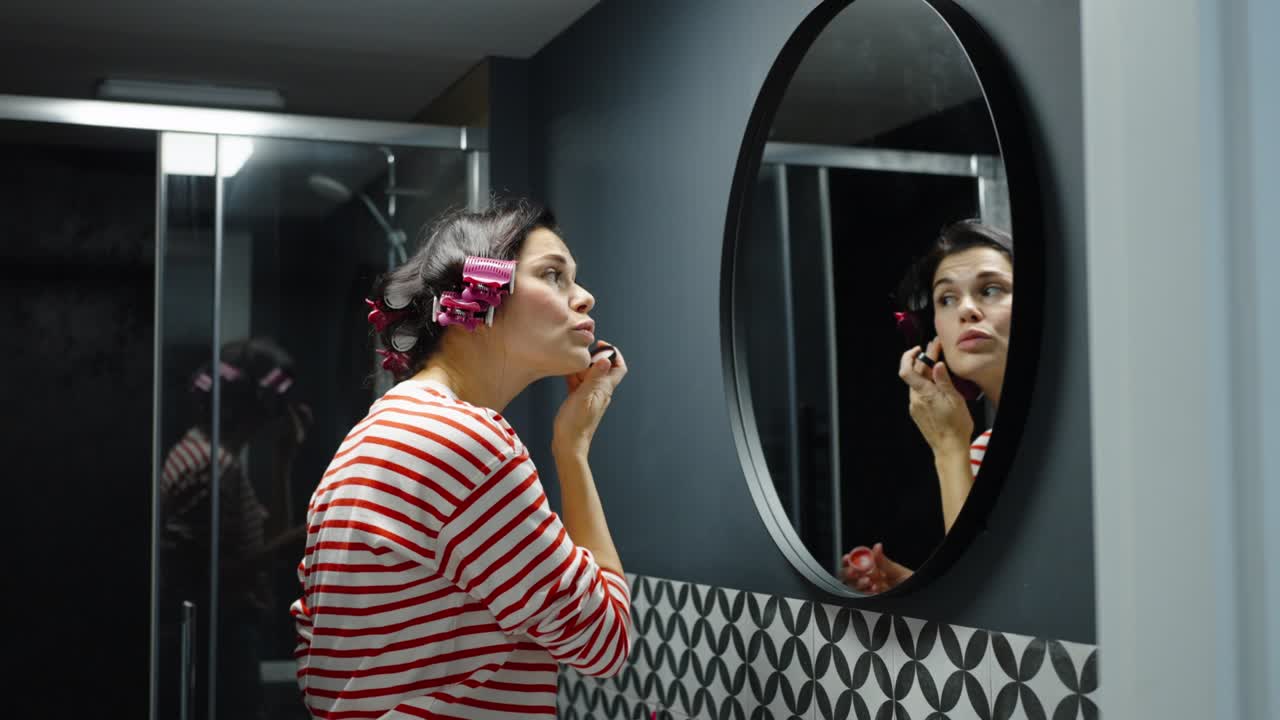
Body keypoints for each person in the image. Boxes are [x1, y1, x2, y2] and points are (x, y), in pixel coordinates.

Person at [290, 200, 631, 719]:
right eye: (554, 275)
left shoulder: (377, 432)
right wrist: (573, 452)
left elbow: (319, 654)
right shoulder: (467, 445)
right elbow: (604, 642)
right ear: (482, 296)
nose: (585, 298)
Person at [842, 220, 1013, 594]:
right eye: (946, 299)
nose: (966, 310)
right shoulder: (983, 451)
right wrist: (909, 587)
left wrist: (949, 444)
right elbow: (997, 595)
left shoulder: (1082, 430)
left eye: (990, 289)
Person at [157, 337, 311, 720]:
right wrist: (303, 537)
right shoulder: (211, 466)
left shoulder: (213, 457)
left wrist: (283, 462)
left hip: (228, 635)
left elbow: (265, 536)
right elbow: (207, 574)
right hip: (220, 639)